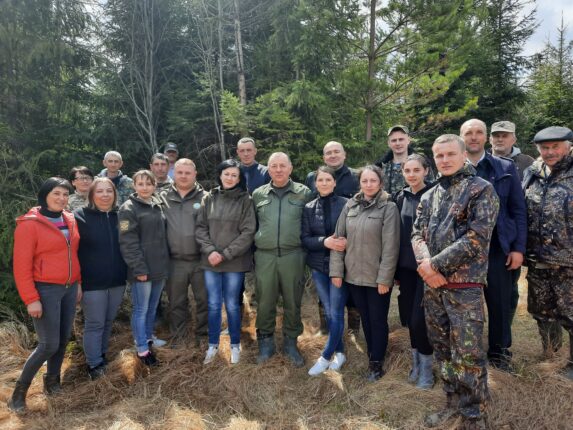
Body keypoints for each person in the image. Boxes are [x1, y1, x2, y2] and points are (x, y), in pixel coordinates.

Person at [412, 134, 499, 430]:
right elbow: (416, 234)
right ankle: (452, 404)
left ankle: (474, 416)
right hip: (433, 289)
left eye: (450, 154)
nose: (444, 160)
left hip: (464, 288)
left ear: (464, 155)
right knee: (443, 350)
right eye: (439, 155)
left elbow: (476, 239)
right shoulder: (429, 195)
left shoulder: (481, 190)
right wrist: (426, 265)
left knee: (468, 354)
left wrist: (434, 265)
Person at [8, 178, 82, 413]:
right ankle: (19, 394)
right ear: (45, 195)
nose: (61, 198)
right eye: (56, 194)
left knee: (61, 341)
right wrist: (31, 299)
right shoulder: (29, 224)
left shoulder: (68, 219)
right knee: (48, 344)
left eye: (65, 194)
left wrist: (77, 282)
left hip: (69, 288)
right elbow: (21, 266)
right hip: (45, 290)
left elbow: (73, 254)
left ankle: (52, 384)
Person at [461, 118, 527, 371]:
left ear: (486, 137)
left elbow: (518, 211)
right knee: (465, 306)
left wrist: (518, 248)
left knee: (500, 304)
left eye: (479, 132)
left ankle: (499, 354)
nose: (474, 137)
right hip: (464, 252)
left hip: (499, 249)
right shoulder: (453, 168)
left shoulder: (504, 168)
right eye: (469, 133)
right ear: (462, 137)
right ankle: (468, 352)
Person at [330, 165, 400, 381]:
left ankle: (376, 364)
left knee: (377, 320)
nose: (368, 184)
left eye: (373, 181)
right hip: (353, 276)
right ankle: (372, 354)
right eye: (364, 181)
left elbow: (391, 247)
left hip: (377, 278)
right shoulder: (350, 205)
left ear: (380, 183)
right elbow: (338, 239)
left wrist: (384, 278)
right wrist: (337, 272)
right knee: (366, 319)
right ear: (360, 183)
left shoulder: (388, 208)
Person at [252, 152, 313, 366]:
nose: (278, 170)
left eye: (282, 166)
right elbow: (252, 224)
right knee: (265, 300)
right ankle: (266, 343)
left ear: (290, 168)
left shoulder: (304, 193)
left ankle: (290, 343)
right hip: (265, 256)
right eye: (274, 166)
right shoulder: (258, 194)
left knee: (292, 301)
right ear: (268, 170)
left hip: (293, 255)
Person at [522, 126, 573, 379]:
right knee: (542, 310)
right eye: (545, 147)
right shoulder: (531, 173)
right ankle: (551, 354)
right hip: (538, 260)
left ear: (568, 146)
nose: (550, 152)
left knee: (571, 314)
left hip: (568, 262)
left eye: (555, 147)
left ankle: (572, 365)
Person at [196, 159, 256, 365]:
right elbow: (200, 228)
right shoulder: (209, 198)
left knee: (231, 304)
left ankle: (235, 344)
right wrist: (211, 251)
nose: (230, 178)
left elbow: (248, 232)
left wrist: (226, 253)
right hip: (210, 261)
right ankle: (212, 345)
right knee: (213, 304)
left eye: (234, 175)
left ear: (239, 179)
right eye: (226, 174)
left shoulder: (245, 200)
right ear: (220, 175)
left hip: (234, 262)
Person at [304, 141, 361, 335]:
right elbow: (307, 229)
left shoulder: (356, 177)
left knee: (352, 294)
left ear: (344, 154)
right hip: (320, 256)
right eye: (328, 152)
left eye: (337, 151)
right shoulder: (311, 186)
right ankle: (327, 328)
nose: (333, 155)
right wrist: (323, 241)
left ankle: (353, 329)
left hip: (347, 254)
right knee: (325, 297)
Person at [74, 178, 127, 380]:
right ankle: (94, 365)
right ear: (92, 195)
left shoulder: (121, 216)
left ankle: (101, 355)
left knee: (108, 320)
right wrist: (77, 281)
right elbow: (72, 251)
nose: (105, 195)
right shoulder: (79, 216)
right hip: (91, 282)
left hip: (117, 280)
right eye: (100, 191)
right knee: (95, 323)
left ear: (114, 194)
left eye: (109, 191)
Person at [119, 170, 169, 366]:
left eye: (149, 184)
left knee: (152, 307)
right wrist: (139, 269)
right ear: (134, 186)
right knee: (141, 309)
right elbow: (127, 241)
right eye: (140, 184)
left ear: (154, 186)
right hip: (142, 270)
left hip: (159, 267)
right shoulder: (128, 209)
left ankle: (149, 337)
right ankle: (141, 348)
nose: (145, 187)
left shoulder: (157, 204)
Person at [393, 154, 435, 389]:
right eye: (407, 171)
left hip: (428, 268)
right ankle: (416, 363)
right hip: (406, 268)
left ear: (425, 171)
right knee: (409, 318)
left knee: (421, 320)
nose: (411, 175)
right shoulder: (401, 197)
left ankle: (428, 369)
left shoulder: (435, 193)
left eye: (416, 170)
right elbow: (398, 233)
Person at [302, 166, 349, 376]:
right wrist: (325, 241)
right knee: (329, 310)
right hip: (319, 267)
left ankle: (326, 355)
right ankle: (340, 351)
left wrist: (343, 243)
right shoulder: (309, 208)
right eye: (320, 180)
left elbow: (352, 233)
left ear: (334, 182)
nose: (324, 183)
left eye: (328, 179)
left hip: (340, 266)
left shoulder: (346, 205)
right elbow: (305, 239)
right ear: (315, 183)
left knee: (336, 311)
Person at [489, 120, 536, 326]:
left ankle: (504, 329)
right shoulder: (483, 162)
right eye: (496, 135)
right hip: (485, 238)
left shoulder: (527, 162)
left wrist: (519, 245)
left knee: (508, 290)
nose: (500, 139)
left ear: (513, 138)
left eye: (505, 135)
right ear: (490, 138)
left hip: (512, 234)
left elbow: (521, 207)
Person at [160, 158, 208, 345]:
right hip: (174, 260)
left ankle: (203, 336)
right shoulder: (162, 196)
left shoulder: (206, 197)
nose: (184, 176)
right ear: (174, 174)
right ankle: (178, 336)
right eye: (180, 172)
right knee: (176, 302)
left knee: (204, 301)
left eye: (188, 172)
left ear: (195, 174)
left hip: (200, 260)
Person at [375, 125, 415, 194]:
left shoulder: (420, 165)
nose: (397, 143)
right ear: (389, 143)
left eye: (401, 139)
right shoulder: (380, 168)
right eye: (394, 140)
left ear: (408, 140)